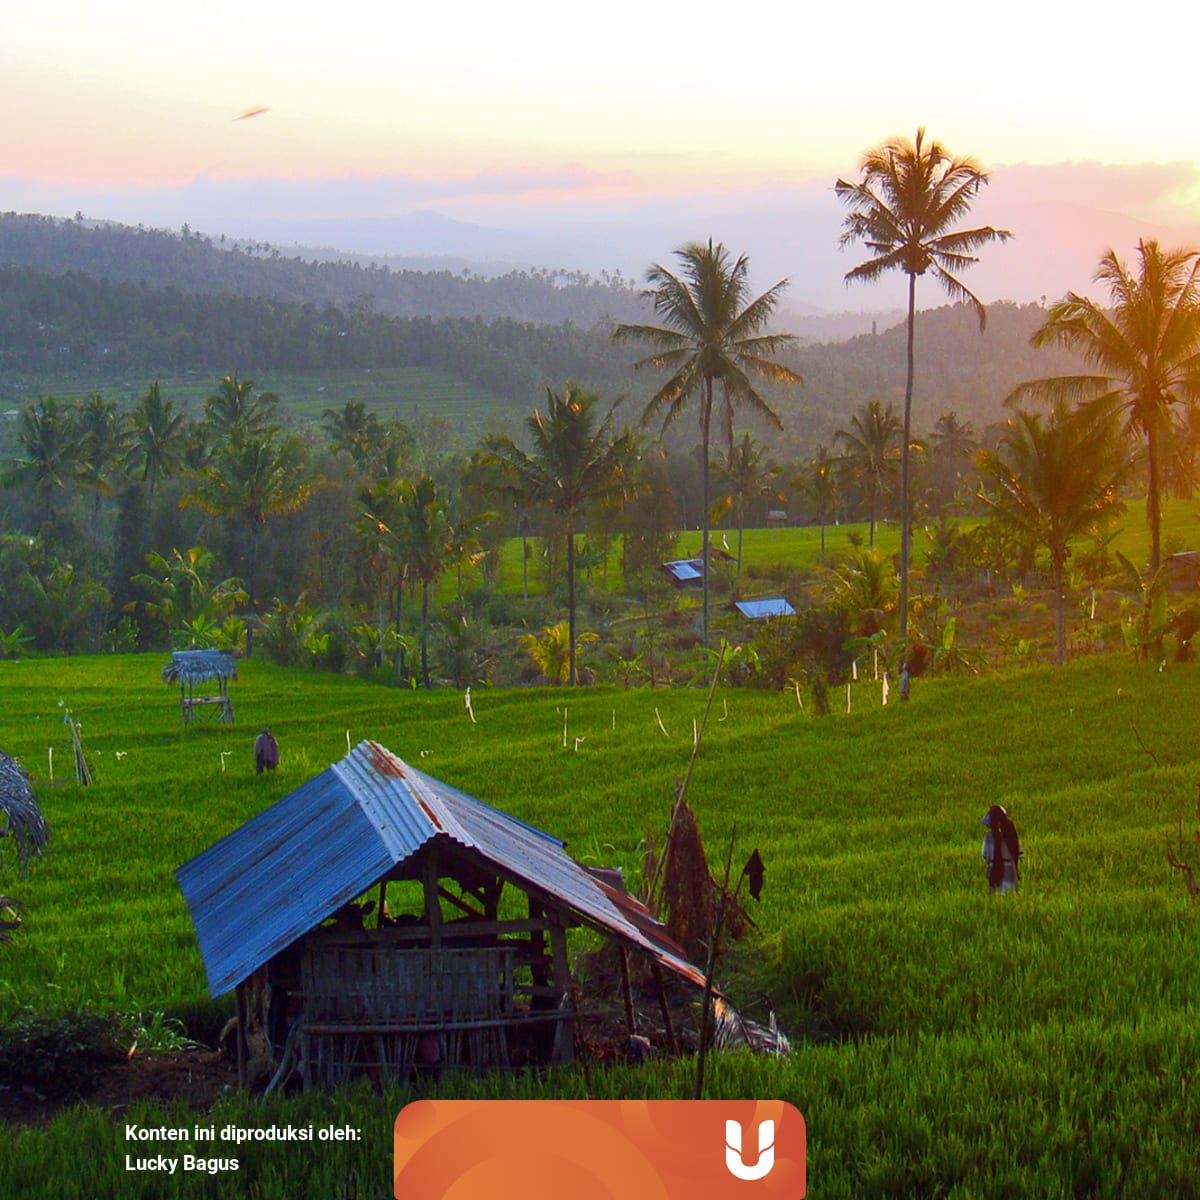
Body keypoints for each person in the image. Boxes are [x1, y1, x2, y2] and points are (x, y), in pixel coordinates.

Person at [982, 804, 1021, 894]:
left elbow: (985, 856)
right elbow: (1019, 853)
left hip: (995, 876)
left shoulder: (989, 837)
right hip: (1011, 875)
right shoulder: (1012, 834)